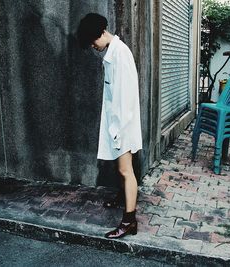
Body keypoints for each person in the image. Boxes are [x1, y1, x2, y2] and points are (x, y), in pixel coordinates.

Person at [77, 13, 142, 239]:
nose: (93, 46)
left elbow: (124, 99)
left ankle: (129, 221)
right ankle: (124, 198)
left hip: (122, 125)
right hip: (118, 123)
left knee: (126, 170)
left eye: (93, 41)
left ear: (102, 33)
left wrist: (117, 132)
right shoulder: (113, 53)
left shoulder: (119, 55)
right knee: (121, 169)